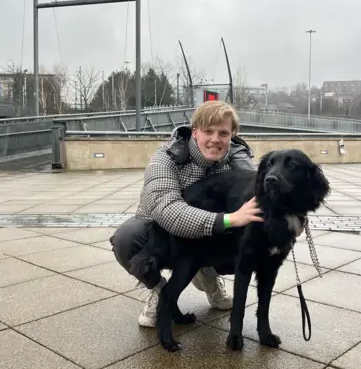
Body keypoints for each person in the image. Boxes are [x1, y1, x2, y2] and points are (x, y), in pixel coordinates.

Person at [110, 100, 263, 327]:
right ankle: (160, 291)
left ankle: (207, 273)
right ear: (194, 132)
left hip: (211, 238)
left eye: (223, 133)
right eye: (208, 131)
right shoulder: (166, 157)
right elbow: (167, 210)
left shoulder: (238, 160)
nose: (215, 139)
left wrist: (289, 218)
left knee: (255, 244)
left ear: (232, 135)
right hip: (162, 233)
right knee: (127, 239)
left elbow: (257, 198)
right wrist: (229, 219)